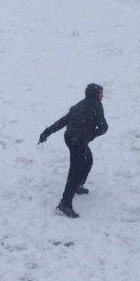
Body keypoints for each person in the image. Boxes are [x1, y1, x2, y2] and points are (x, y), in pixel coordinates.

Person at [38, 83, 108, 218]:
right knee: (75, 170)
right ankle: (65, 203)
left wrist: (47, 132)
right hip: (78, 141)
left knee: (88, 160)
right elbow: (104, 127)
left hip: (70, 137)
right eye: (100, 93)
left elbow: (63, 121)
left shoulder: (81, 104)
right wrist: (91, 135)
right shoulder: (96, 106)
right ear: (95, 94)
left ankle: (77, 185)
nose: (102, 96)